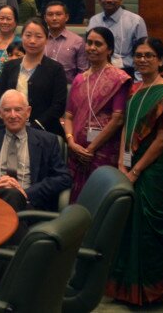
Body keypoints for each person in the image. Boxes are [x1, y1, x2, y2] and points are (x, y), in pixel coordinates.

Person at [107, 37, 163, 305]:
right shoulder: (135, 89)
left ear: (161, 60)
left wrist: (135, 171)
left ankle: (150, 292)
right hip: (131, 166)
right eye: (138, 55)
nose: (142, 60)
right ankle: (126, 290)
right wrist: (123, 163)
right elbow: (126, 127)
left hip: (154, 173)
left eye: (149, 55)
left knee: (149, 232)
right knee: (129, 226)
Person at [0, 89, 72, 214]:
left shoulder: (47, 140)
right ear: (0, 113)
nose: (13, 115)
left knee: (13, 196)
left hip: (29, 205)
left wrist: (26, 193)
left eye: (18, 109)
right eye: (7, 110)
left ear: (28, 112)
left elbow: (64, 177)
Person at [64, 27, 130, 202]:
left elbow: (118, 119)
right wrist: (71, 142)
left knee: (99, 199)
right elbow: (68, 116)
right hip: (76, 152)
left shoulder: (118, 78)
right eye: (89, 43)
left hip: (103, 152)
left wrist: (90, 149)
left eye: (98, 44)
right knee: (76, 199)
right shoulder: (79, 79)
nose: (92, 47)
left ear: (109, 50)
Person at [0, 17, 67, 135]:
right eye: (28, 35)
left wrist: (34, 126)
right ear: (22, 37)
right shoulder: (9, 66)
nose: (32, 41)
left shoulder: (56, 69)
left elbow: (58, 106)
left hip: (44, 132)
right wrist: (8, 124)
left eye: (38, 36)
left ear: (47, 39)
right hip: (9, 130)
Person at [87, 0, 147, 73]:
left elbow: (143, 52)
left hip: (126, 71)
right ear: (99, 1)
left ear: (121, 0)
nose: (109, 0)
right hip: (98, 70)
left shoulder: (135, 21)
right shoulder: (94, 21)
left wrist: (138, 81)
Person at [44, 0, 88, 83]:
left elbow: (83, 72)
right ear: (45, 18)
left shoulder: (77, 41)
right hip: (42, 87)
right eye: (50, 15)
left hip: (68, 88)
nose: (54, 18)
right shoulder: (40, 39)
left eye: (58, 14)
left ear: (66, 17)